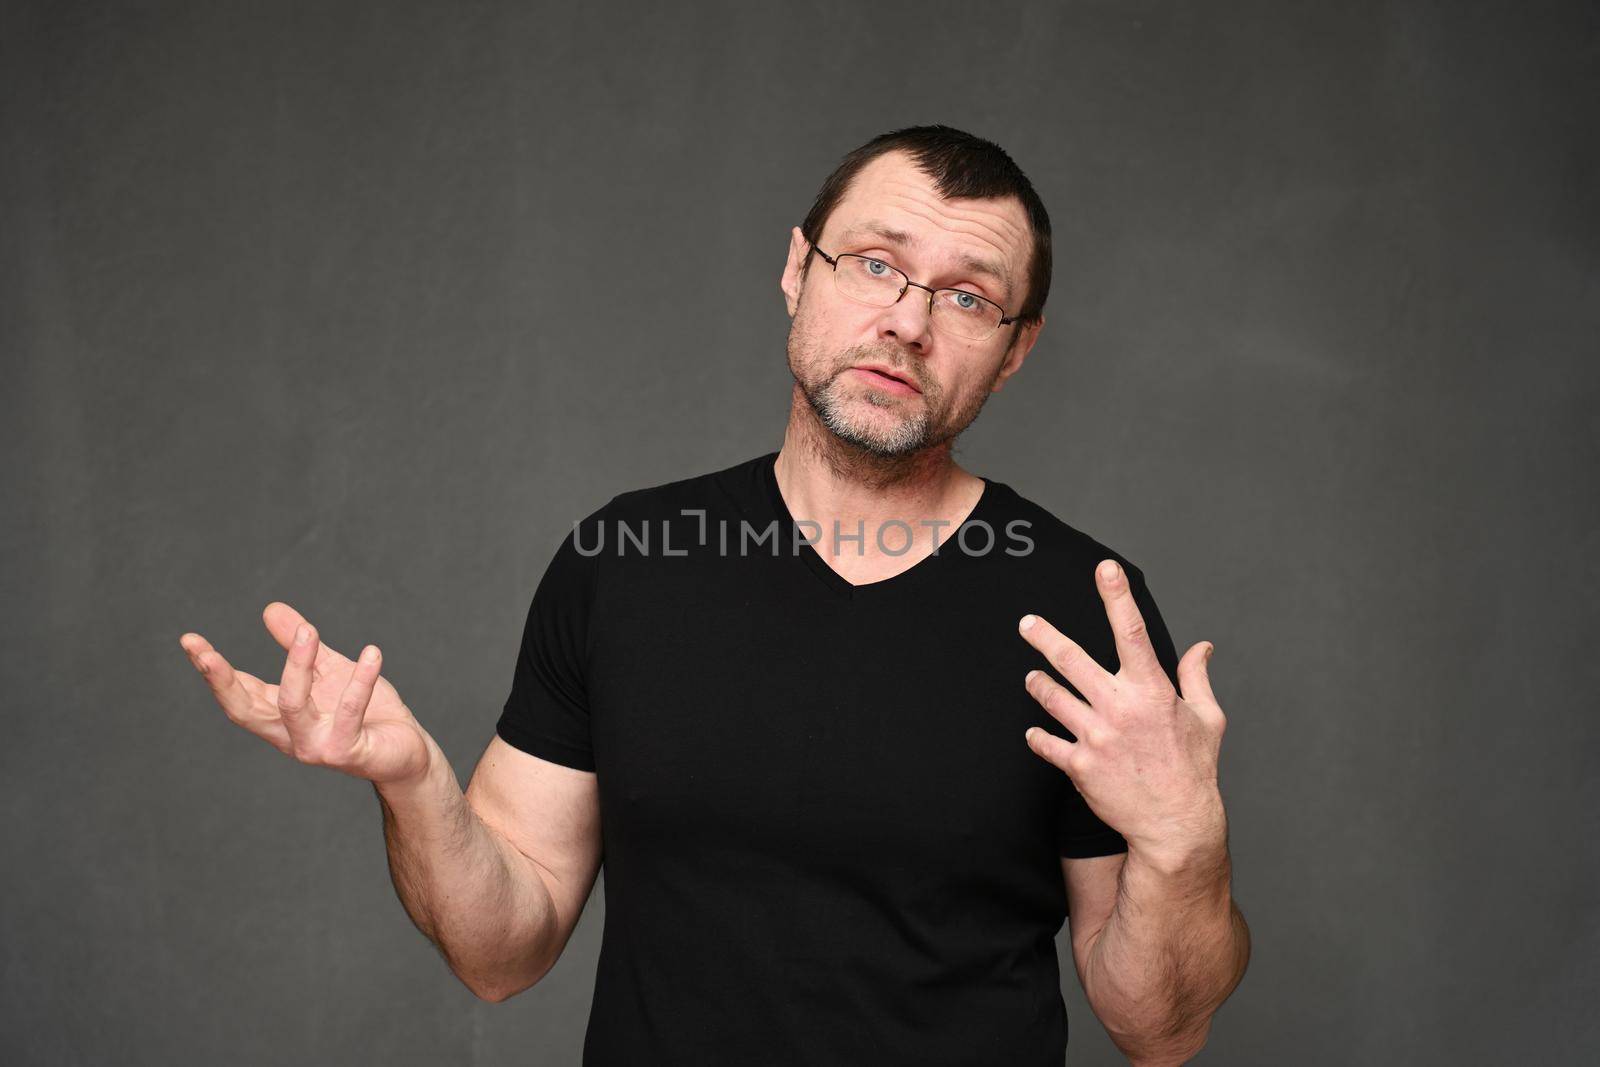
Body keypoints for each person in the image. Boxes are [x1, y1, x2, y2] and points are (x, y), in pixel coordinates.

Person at [180, 125, 1250, 1065]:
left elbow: (1157, 1030)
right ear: (798, 268)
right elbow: (501, 954)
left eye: (968, 297)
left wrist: (1182, 840)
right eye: (875, 263)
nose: (906, 322)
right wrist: (412, 780)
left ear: (1014, 351)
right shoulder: (627, 559)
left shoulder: (1082, 609)